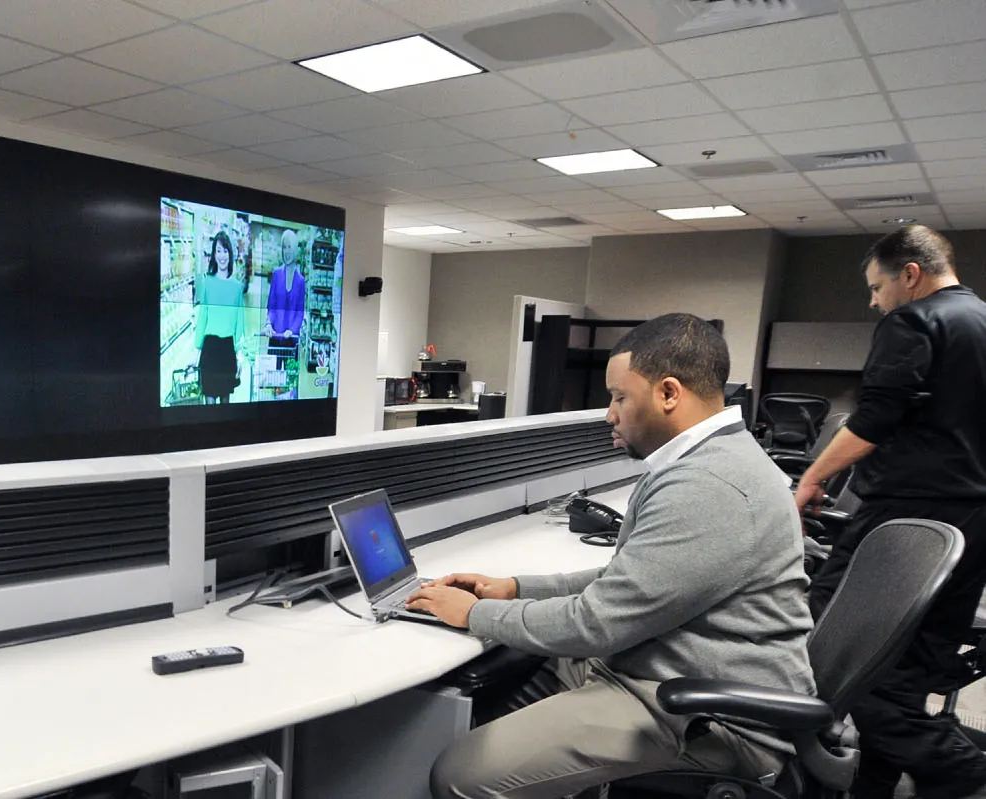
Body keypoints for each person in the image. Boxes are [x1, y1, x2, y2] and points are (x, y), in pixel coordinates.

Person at [407, 313, 815, 799]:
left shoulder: (708, 485)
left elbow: (596, 625)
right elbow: (624, 581)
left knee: (458, 775)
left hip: (703, 715)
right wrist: (515, 589)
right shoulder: (711, 459)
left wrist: (474, 614)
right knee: (498, 691)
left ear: (668, 393)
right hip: (665, 670)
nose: (609, 414)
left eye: (620, 397)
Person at [792, 225, 986, 799]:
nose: (875, 302)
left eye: (878, 288)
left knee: (835, 656)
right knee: (909, 674)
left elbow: (874, 418)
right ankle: (870, 785)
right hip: (973, 525)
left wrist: (812, 478)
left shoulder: (915, 321)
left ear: (911, 274)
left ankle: (965, 773)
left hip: (909, 523)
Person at [195, 231, 245, 404]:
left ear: (230, 254)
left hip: (227, 350)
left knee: (225, 402)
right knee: (209, 401)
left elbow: (240, 322)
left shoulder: (237, 287)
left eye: (225, 251)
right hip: (209, 348)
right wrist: (196, 350)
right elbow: (203, 316)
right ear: (214, 255)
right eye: (218, 251)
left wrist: (240, 353)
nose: (222, 256)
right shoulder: (207, 282)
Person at [266, 229, 308, 342]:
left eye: (290, 247)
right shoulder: (276, 274)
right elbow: (271, 307)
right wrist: (269, 324)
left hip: (291, 339)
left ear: (295, 249)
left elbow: (300, 313)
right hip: (275, 335)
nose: (287, 251)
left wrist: (292, 330)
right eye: (284, 247)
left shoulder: (301, 281)